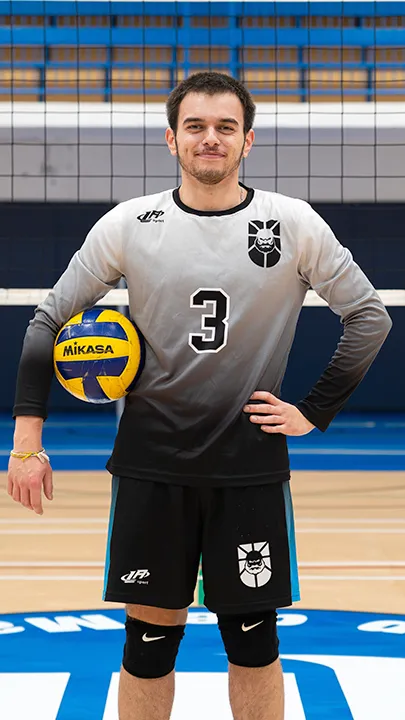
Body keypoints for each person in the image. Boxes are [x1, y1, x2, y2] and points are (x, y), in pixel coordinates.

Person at [7, 72, 391, 720]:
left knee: (253, 643)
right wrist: (25, 443)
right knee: (148, 643)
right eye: (195, 126)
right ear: (170, 138)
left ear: (247, 141)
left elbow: (368, 316)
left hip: (249, 469)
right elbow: (46, 322)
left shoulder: (290, 223)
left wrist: (314, 409)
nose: (209, 138)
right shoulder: (129, 225)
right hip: (153, 467)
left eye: (223, 127)